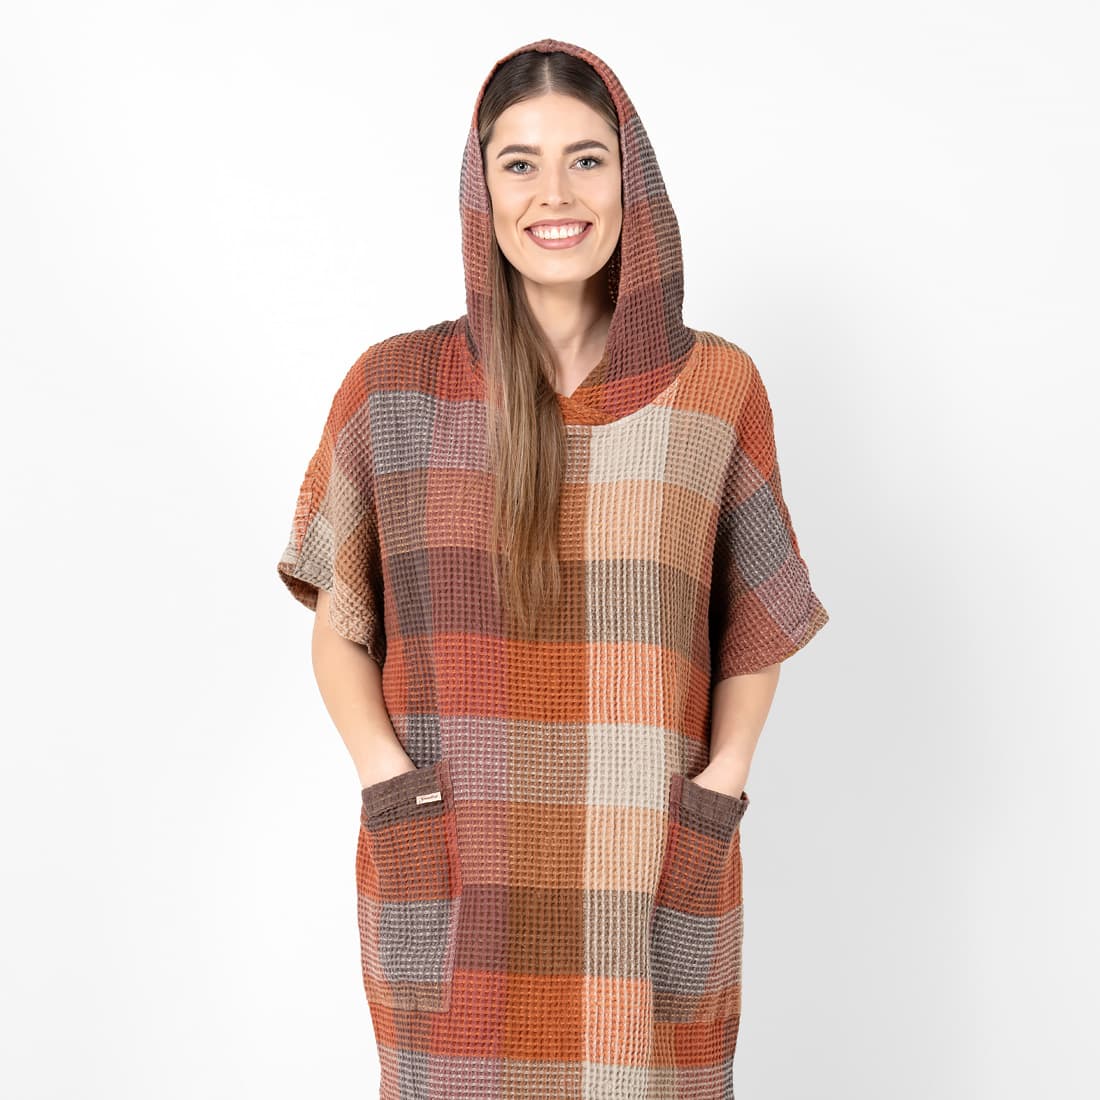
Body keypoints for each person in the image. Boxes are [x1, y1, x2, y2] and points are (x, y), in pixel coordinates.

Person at [276, 36, 829, 1100]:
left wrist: (719, 786)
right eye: (519, 162)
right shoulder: (392, 390)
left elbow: (754, 627)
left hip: (647, 870)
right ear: (480, 188)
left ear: (632, 180)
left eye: (585, 159)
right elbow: (339, 623)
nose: (554, 194)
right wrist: (388, 779)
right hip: (456, 867)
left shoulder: (716, 388)